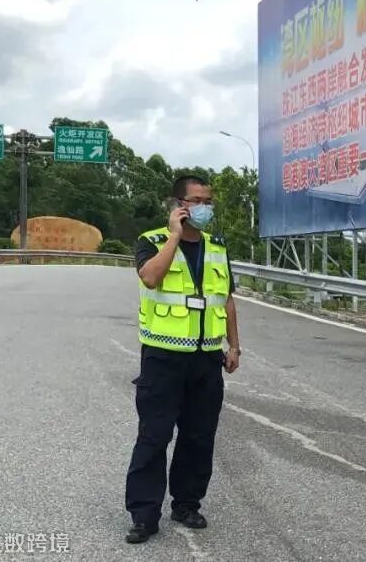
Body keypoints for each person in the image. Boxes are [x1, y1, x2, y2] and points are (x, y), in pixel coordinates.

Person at [124, 175, 241, 544]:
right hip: (163, 358)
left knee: (199, 437)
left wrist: (234, 346)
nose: (205, 207)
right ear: (177, 205)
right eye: (196, 200)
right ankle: (144, 515)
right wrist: (174, 236)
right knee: (154, 436)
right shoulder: (152, 241)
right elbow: (150, 278)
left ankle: (187, 504)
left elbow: (227, 298)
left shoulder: (217, 247)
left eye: (209, 201)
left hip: (206, 359)